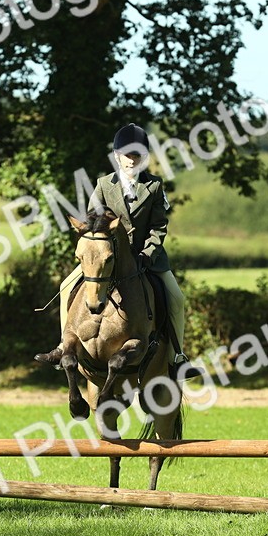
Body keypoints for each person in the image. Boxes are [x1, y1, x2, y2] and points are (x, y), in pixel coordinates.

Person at [56, 123, 189, 366]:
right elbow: (92, 223)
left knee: (177, 298)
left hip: (147, 257)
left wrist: (148, 253)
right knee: (66, 286)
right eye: (127, 156)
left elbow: (159, 226)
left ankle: (176, 356)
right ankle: (62, 345)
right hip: (106, 255)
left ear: (144, 158)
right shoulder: (104, 184)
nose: (131, 161)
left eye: (136, 156)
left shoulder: (154, 186)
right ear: (117, 157)